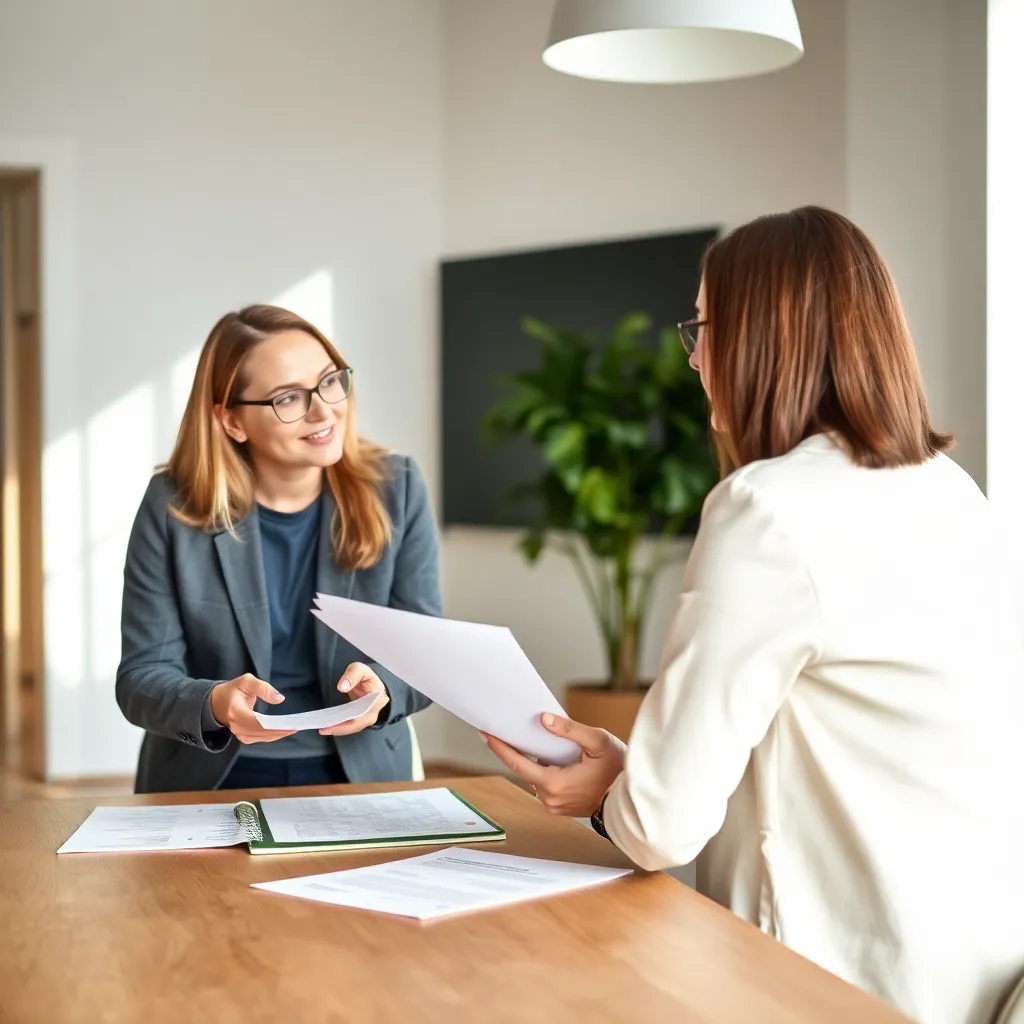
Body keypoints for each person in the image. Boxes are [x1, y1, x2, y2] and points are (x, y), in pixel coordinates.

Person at [483, 207, 1024, 1024]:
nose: (696, 358)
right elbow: (824, 741)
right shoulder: (952, 490)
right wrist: (636, 771)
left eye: (702, 327)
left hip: (830, 977)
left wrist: (611, 794)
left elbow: (661, 827)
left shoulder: (767, 508)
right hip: (965, 958)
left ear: (766, 337)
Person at [116, 304, 440, 794]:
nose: (323, 410)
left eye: (329, 381)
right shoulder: (172, 505)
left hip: (358, 772)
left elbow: (427, 651)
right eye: (288, 398)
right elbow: (141, 677)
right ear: (232, 422)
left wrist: (384, 688)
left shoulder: (398, 487)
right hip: (210, 774)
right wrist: (214, 703)